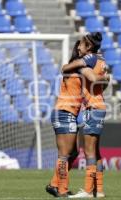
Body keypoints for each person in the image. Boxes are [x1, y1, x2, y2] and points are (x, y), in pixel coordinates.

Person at [46, 38, 109, 198]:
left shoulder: (79, 64)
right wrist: (106, 78)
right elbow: (94, 79)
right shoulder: (80, 66)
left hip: (72, 113)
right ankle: (62, 189)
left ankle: (54, 184)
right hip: (63, 111)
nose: (81, 47)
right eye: (80, 45)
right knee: (65, 153)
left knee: (73, 152)